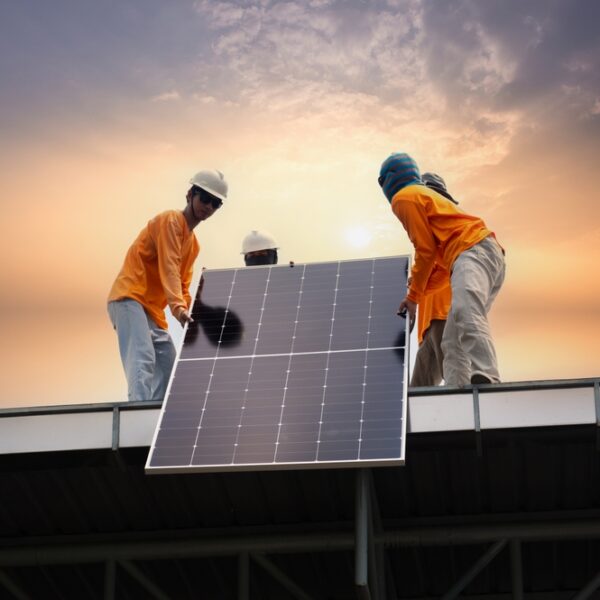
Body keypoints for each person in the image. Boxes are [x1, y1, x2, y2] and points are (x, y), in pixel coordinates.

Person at [378, 153, 505, 387]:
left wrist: (413, 297)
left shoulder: (403, 198)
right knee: (452, 342)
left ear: (385, 181)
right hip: (480, 255)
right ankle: (461, 398)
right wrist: (416, 293)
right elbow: (436, 266)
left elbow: (424, 250)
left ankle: (490, 377)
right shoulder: (427, 205)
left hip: (472, 250)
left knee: (466, 312)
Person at [107, 170, 228, 401]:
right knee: (142, 358)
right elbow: (169, 266)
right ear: (190, 194)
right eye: (204, 198)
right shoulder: (171, 220)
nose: (208, 207)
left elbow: (182, 284)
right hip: (129, 297)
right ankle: (137, 415)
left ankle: (154, 420)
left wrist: (192, 317)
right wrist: (178, 309)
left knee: (168, 365)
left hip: (152, 310)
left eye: (216, 203)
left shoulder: (193, 245)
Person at [410, 172, 457, 387]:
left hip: (445, 315)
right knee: (418, 396)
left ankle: (468, 419)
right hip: (427, 327)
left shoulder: (448, 227)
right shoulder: (426, 233)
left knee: (458, 380)